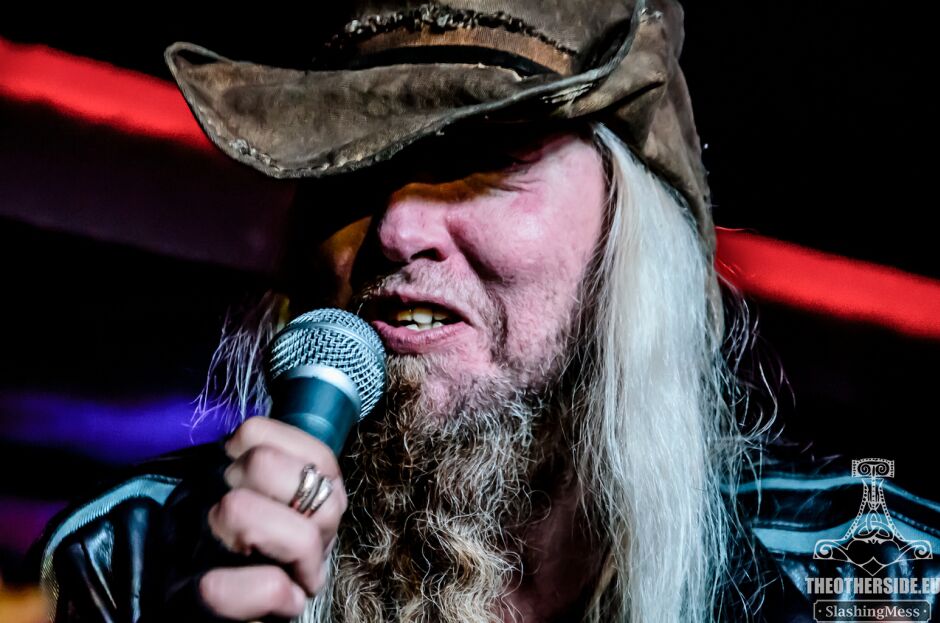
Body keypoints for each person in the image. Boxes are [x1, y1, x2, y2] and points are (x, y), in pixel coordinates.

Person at [29, 1, 940, 622]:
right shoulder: (136, 558)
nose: (397, 227)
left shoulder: (883, 571)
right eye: (356, 169)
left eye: (489, 161)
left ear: (632, 242)